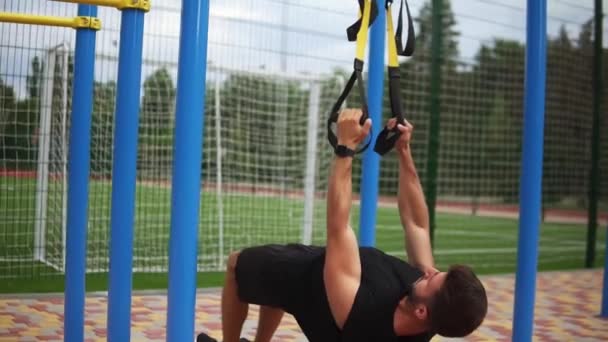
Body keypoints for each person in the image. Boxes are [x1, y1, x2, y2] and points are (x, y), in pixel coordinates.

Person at [198, 109, 487, 342]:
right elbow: (417, 224)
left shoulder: (364, 311)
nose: (430, 271)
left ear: (421, 310)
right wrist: (404, 150)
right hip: (331, 274)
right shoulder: (431, 315)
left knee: (239, 265)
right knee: (275, 287)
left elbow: (339, 225)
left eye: (433, 278)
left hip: (314, 280)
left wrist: (345, 148)